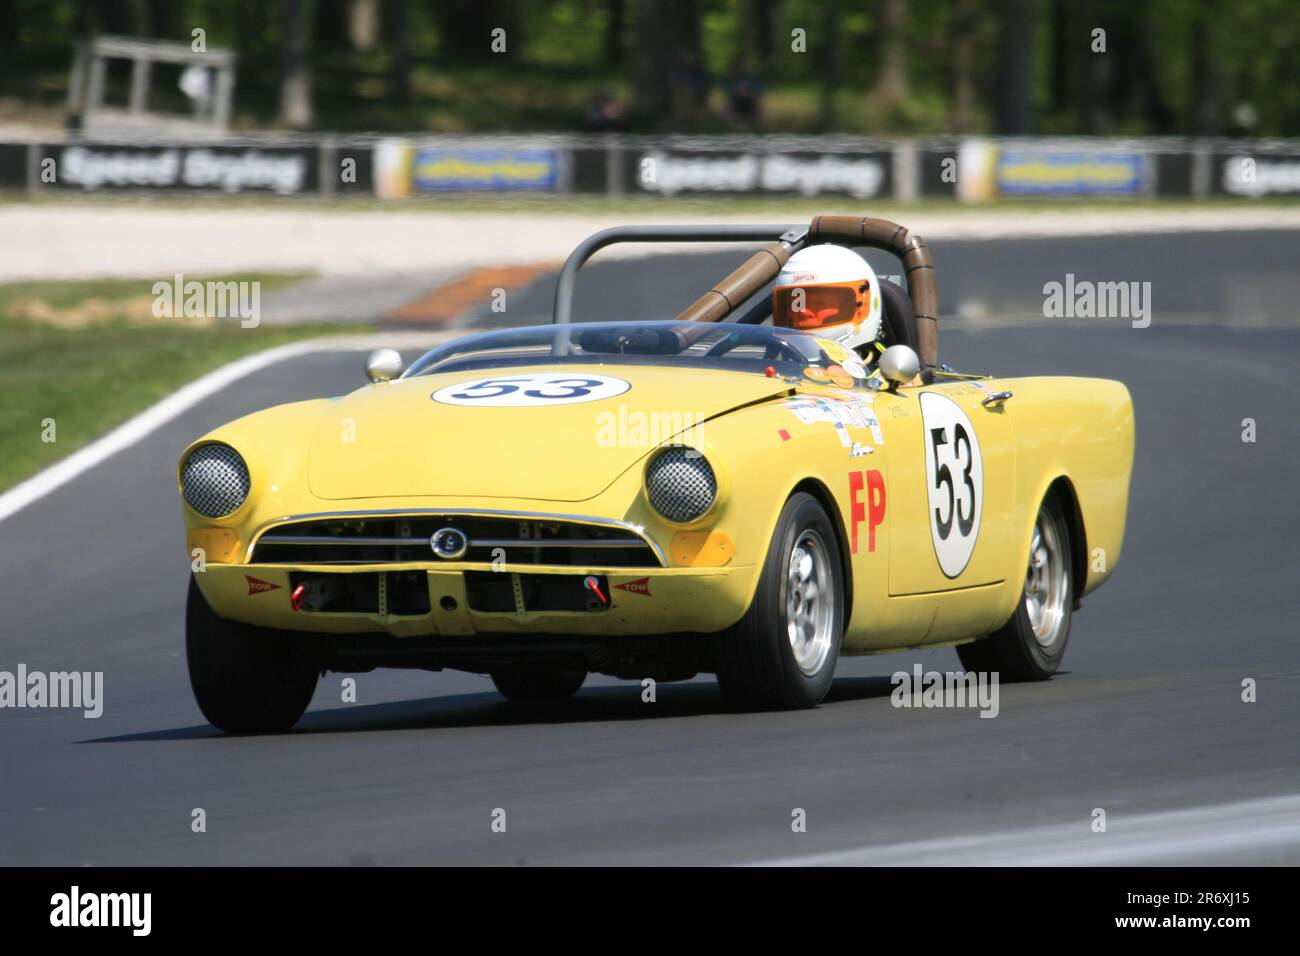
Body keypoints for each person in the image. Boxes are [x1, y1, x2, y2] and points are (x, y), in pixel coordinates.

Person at [771, 246, 885, 364]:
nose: (802, 312)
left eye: (819, 304)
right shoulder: (773, 367)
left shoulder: (891, 373)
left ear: (861, 308)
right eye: (795, 304)